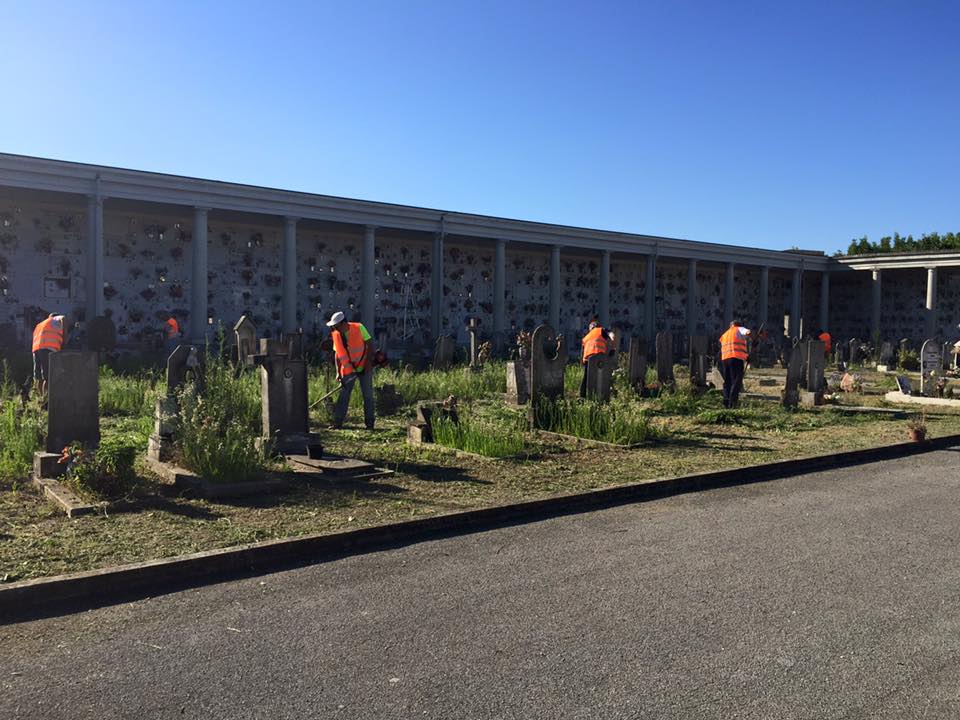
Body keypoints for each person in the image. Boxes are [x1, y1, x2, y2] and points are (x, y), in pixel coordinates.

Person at [327, 310, 375, 429]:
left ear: (344, 323)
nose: (335, 329)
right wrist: (338, 372)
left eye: (336, 326)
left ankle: (370, 423)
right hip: (348, 370)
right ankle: (337, 422)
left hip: (364, 367)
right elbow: (337, 354)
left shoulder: (359, 328)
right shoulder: (337, 335)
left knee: (367, 395)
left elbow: (369, 344)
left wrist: (368, 363)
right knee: (344, 395)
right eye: (334, 327)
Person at [31, 313, 66, 396]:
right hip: (48, 349)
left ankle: (41, 398)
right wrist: (64, 343)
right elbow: (63, 318)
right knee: (48, 377)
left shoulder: (40, 324)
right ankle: (47, 400)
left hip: (36, 349)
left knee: (39, 377)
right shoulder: (56, 319)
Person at [719, 319, 750, 408]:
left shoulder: (725, 334)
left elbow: (733, 346)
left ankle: (726, 401)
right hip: (736, 359)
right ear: (738, 325)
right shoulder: (739, 329)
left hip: (725, 359)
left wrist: (746, 356)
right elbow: (748, 333)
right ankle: (733, 402)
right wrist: (755, 338)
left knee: (727, 381)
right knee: (736, 381)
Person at [579, 317, 611, 398]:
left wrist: (582, 362)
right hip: (598, 356)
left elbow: (582, 351)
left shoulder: (586, 337)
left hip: (588, 358)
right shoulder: (600, 331)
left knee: (586, 378)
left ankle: (582, 396)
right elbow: (609, 339)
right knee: (601, 376)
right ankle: (599, 395)